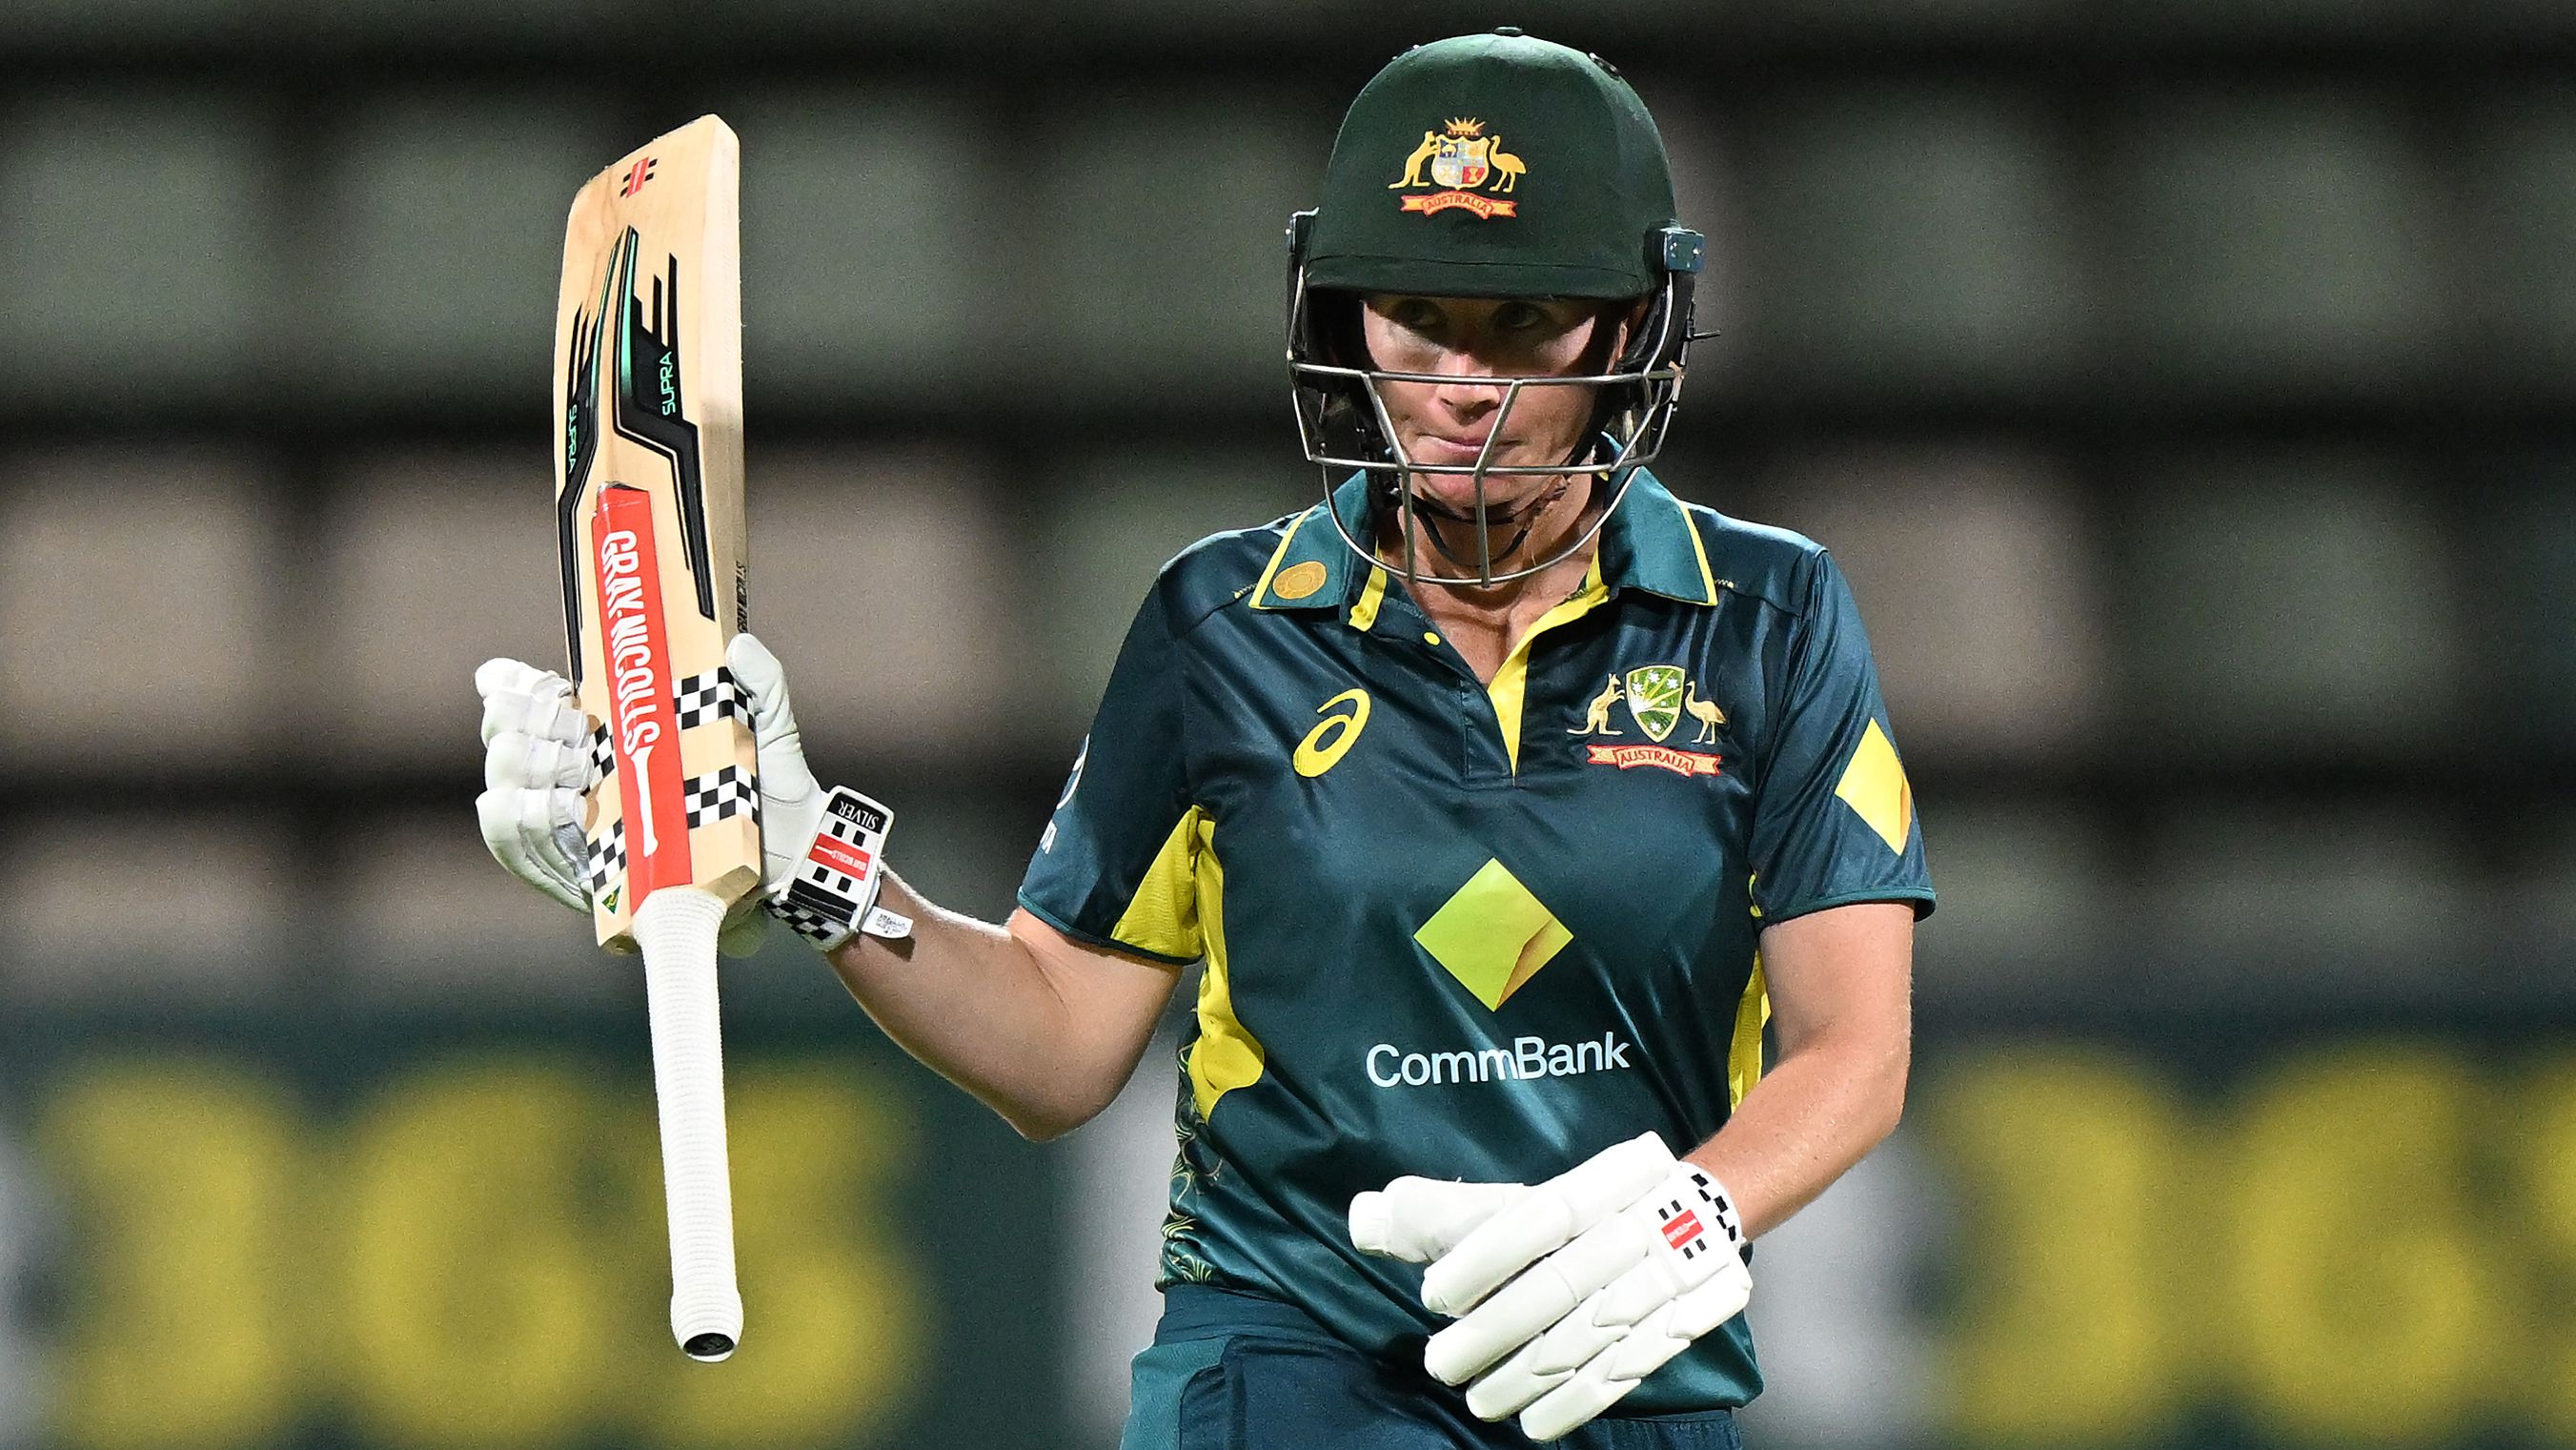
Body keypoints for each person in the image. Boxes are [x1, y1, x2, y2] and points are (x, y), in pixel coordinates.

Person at [478, 30, 1930, 1449]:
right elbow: (1055, 1043)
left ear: (1633, 322)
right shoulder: (1220, 622)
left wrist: (1700, 1210)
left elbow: (1852, 1043)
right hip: (1290, 1365)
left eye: (1525, 321)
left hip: (1625, 1364)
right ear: (1336, 309)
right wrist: (807, 861)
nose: (1459, 386)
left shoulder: (1770, 616)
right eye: (1414, 315)